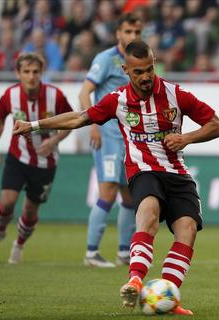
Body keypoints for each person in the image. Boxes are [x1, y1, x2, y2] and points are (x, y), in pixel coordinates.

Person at [13, 40, 219, 315]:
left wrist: (186, 138)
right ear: (126, 70)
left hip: (177, 173)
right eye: (138, 72)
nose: (146, 76)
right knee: (147, 213)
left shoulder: (176, 95)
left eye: (149, 69)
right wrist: (33, 125)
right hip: (143, 171)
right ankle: (135, 280)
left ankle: (167, 296)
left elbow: (217, 126)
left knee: (188, 230)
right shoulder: (118, 100)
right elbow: (80, 118)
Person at [0, 52, 72, 263]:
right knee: (7, 202)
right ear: (18, 73)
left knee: (29, 209)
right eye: (26, 71)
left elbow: (70, 122)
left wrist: (54, 141)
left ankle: (18, 245)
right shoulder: (11, 95)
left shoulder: (56, 95)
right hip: (17, 157)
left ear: (41, 73)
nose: (31, 76)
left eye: (35, 71)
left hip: (46, 162)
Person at [79, 13, 142, 268]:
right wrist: (93, 124)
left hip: (131, 139)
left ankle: (124, 252)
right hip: (108, 136)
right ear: (118, 33)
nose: (133, 37)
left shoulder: (138, 59)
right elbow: (85, 92)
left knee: (129, 196)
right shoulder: (106, 59)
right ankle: (91, 253)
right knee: (107, 192)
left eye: (137, 33)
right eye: (128, 32)